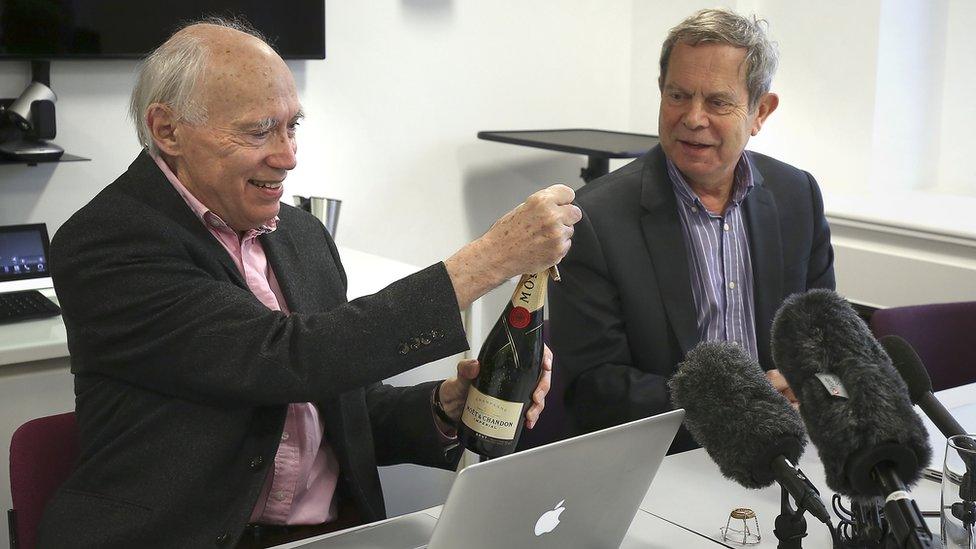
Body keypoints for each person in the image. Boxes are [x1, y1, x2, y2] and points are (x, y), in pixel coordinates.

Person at [38, 20, 581, 548]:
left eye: (292, 126)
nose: (288, 156)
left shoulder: (301, 234)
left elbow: (347, 404)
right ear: (167, 130)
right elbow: (283, 360)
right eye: (258, 131)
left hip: (330, 532)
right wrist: (488, 260)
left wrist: (445, 405)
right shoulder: (106, 242)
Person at [549, 8, 834, 452]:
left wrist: (805, 384)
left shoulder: (797, 195)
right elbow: (594, 387)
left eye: (718, 102)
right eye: (678, 95)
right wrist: (733, 404)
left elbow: (824, 334)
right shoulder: (595, 219)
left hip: (787, 447)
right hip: (664, 457)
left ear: (760, 111)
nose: (693, 118)